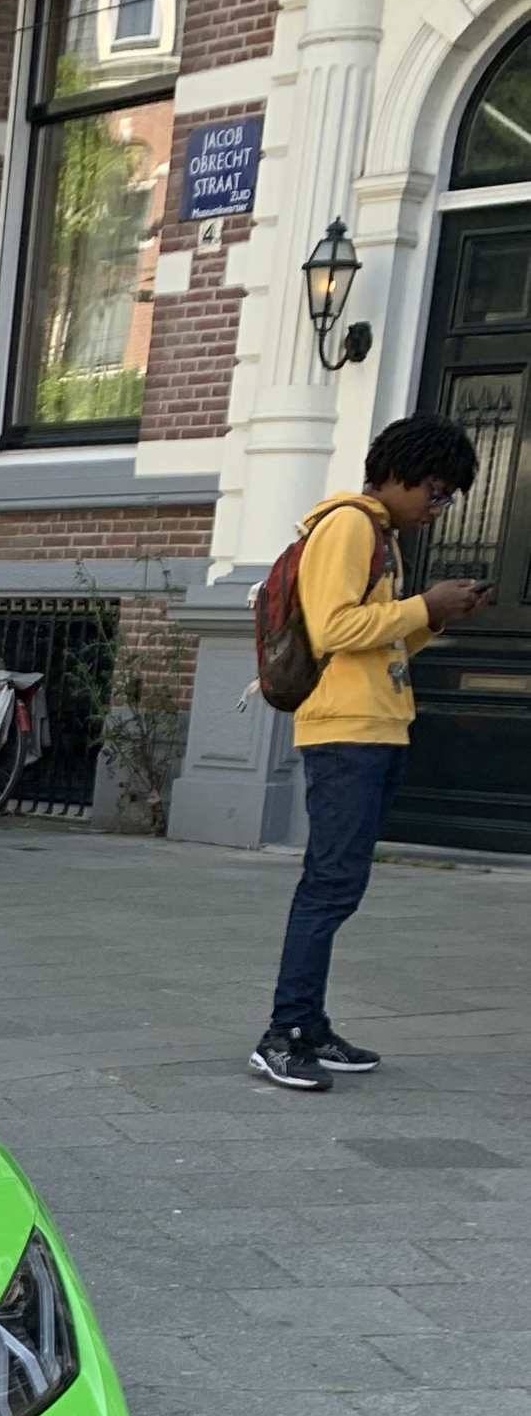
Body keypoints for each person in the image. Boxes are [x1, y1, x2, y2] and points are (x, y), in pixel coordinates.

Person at [252, 413, 490, 1091]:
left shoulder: (380, 536)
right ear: (400, 473)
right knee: (328, 884)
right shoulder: (349, 526)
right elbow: (332, 629)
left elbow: (378, 639)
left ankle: (310, 1025)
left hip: (377, 726)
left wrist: (436, 614)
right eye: (437, 492)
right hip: (345, 731)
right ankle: (285, 1032)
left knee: (341, 883)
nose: (437, 508)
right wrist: (422, 605)